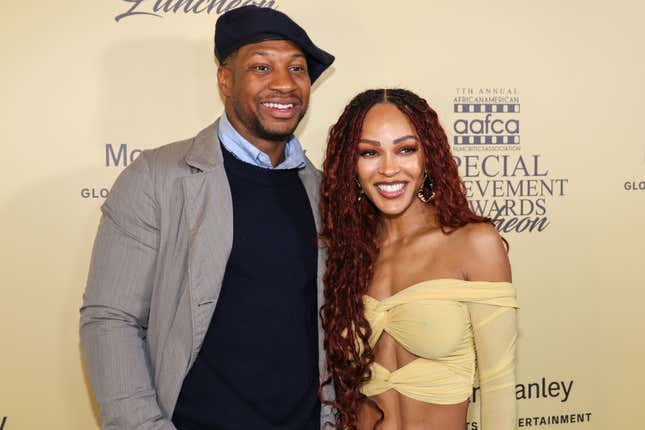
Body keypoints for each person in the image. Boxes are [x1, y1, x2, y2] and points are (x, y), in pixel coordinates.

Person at [80, 6, 335, 430]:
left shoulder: (325, 192)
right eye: (260, 66)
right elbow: (111, 320)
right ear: (225, 80)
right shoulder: (158, 178)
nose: (284, 83)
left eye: (297, 68)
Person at [319, 89, 518, 430]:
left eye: (405, 149)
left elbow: (499, 389)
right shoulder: (347, 257)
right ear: (351, 165)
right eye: (369, 152)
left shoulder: (474, 244)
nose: (389, 168)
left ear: (428, 157)